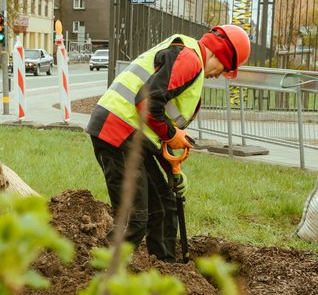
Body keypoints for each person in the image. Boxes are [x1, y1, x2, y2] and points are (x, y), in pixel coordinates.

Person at [86, 25, 251, 262]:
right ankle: (97, 275)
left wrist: (173, 170)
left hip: (134, 138)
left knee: (164, 207)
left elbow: (159, 126)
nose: (219, 74)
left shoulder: (189, 61)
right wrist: (173, 134)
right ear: (218, 53)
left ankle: (165, 271)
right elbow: (147, 104)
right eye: (224, 68)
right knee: (134, 220)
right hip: (117, 132)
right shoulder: (190, 60)